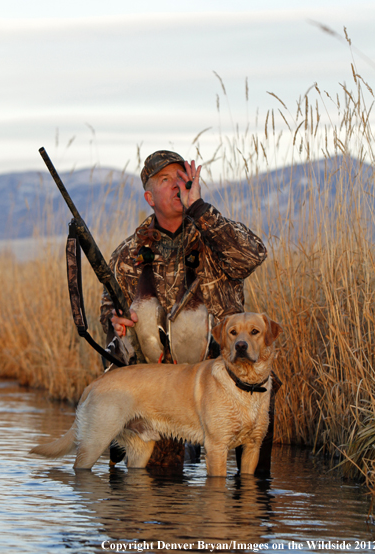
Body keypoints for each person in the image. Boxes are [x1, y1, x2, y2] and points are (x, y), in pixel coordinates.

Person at [100, 150, 278, 472]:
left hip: (230, 373)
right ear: (149, 196)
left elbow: (254, 254)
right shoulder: (128, 255)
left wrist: (200, 209)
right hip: (164, 390)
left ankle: (250, 507)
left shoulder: (214, 237)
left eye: (182, 178)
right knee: (160, 487)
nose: (176, 186)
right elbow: (108, 316)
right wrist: (117, 323)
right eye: (165, 180)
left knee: (255, 481)